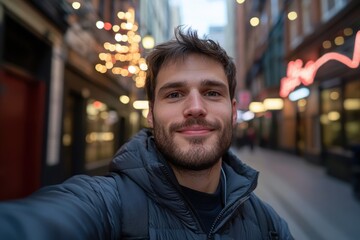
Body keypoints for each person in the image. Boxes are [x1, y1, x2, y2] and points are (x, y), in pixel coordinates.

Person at [0, 26, 293, 239]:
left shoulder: (268, 225)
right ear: (151, 114)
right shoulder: (107, 204)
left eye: (212, 92)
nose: (195, 107)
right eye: (175, 94)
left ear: (232, 110)